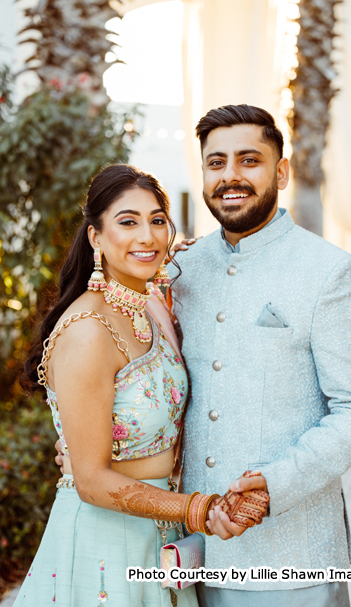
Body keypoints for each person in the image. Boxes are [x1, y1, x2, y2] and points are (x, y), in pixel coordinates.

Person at [16, 164, 269, 607]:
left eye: (156, 220)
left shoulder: (151, 306)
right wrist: (200, 509)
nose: (147, 237)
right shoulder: (87, 331)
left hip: (163, 538)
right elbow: (92, 480)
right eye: (127, 221)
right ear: (96, 237)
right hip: (104, 545)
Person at [166, 105, 351, 607]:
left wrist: (276, 485)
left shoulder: (331, 272)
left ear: (281, 171)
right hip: (194, 554)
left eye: (249, 160)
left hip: (296, 558)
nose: (231, 176)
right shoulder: (182, 269)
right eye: (216, 162)